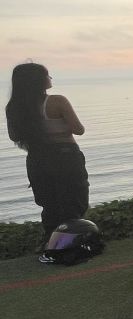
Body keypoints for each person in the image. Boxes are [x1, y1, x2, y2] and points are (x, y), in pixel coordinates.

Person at [5, 63, 89, 242]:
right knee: (74, 200)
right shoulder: (57, 101)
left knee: (49, 204)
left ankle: (51, 243)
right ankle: (72, 243)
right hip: (65, 156)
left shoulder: (14, 108)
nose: (50, 79)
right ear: (37, 81)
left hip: (37, 159)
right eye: (47, 75)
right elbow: (79, 129)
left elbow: (14, 136)